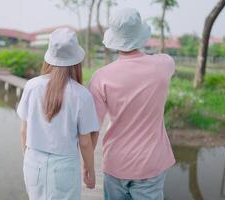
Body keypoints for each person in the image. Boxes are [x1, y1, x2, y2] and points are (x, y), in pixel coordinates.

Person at [89, 8, 176, 200]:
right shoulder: (164, 64)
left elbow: (92, 128)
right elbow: (162, 57)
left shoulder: (101, 77)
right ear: (141, 36)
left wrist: (87, 165)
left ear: (114, 40)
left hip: (116, 163)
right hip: (152, 162)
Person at [17, 28, 100, 200]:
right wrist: (89, 169)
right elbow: (85, 143)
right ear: (76, 61)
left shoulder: (31, 86)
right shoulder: (82, 95)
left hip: (33, 162)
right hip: (64, 167)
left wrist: (29, 159)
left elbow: (24, 131)